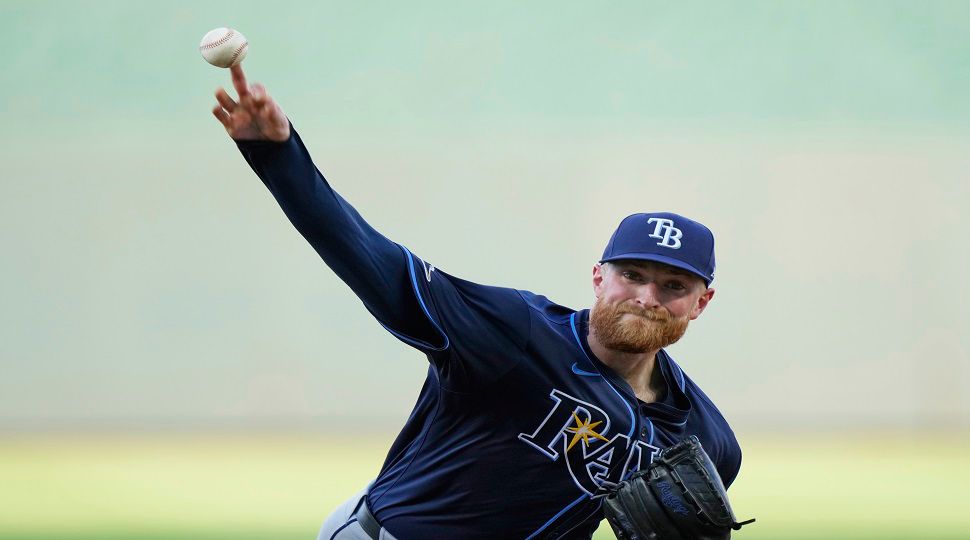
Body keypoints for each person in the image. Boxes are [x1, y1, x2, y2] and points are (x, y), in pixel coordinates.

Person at [212, 65, 742, 540]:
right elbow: (370, 260)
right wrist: (278, 157)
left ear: (701, 303)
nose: (647, 297)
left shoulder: (706, 442)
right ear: (598, 277)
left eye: (674, 286)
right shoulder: (516, 333)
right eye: (632, 275)